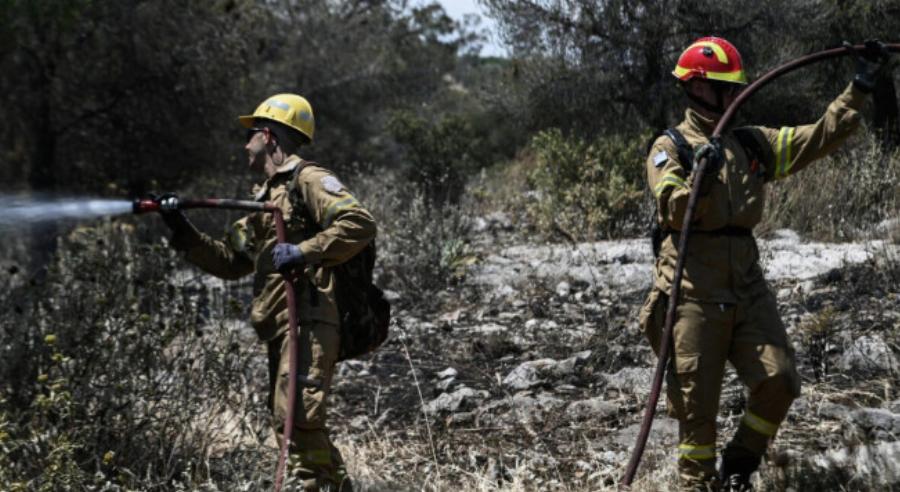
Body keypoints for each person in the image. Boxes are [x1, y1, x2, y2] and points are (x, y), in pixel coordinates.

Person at [640, 37, 889, 491]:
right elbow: (674, 208)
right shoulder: (669, 147)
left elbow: (816, 136)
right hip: (692, 294)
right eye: (725, 88)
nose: (736, 96)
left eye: (737, 88)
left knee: (781, 379)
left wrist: (859, 87)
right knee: (698, 417)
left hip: (747, 290)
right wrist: (703, 171)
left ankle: (740, 464)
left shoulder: (751, 143)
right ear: (698, 88)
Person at [159, 93, 375, 491]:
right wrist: (180, 227)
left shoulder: (307, 180)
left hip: (310, 317)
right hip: (283, 324)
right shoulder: (265, 198)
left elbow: (359, 223)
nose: (245, 145)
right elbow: (228, 260)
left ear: (269, 137)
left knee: (297, 418)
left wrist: (303, 251)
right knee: (290, 419)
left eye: (251, 135)